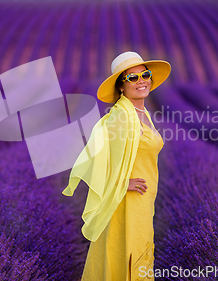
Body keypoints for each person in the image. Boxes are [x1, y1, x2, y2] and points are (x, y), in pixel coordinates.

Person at [62, 51, 171, 280]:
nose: (141, 80)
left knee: (137, 253)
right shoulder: (120, 117)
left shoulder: (141, 113)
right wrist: (122, 182)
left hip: (143, 200)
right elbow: (92, 159)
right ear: (121, 86)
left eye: (145, 74)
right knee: (126, 254)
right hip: (126, 202)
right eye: (132, 78)